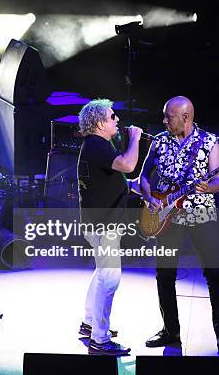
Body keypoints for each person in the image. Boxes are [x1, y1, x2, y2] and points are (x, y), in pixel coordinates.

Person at [139, 96, 219, 357]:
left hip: (200, 214)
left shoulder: (209, 141)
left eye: (168, 117)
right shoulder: (159, 141)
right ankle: (171, 331)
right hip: (167, 216)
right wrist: (150, 199)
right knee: (165, 275)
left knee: (214, 275)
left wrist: (208, 186)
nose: (164, 121)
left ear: (185, 116)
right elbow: (143, 177)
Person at [76, 99, 142, 356]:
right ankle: (100, 340)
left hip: (98, 222)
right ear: (100, 122)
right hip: (104, 225)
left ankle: (89, 323)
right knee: (110, 278)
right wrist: (135, 139)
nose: (117, 120)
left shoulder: (96, 146)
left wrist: (136, 186)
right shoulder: (97, 145)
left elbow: (116, 178)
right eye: (112, 116)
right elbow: (127, 165)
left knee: (102, 273)